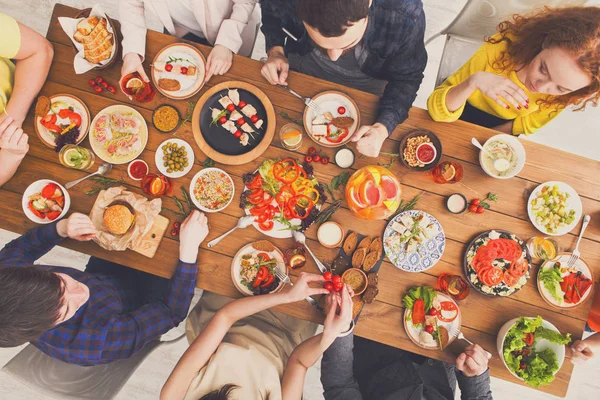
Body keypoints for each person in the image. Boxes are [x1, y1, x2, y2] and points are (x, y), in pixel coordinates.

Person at [0, 210, 209, 366]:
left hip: (103, 276)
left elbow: (21, 249)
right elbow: (171, 311)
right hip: (143, 303)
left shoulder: (8, 280)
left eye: (62, 284)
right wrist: (189, 249)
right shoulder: (98, 343)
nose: (81, 292)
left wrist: (61, 228)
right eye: (67, 308)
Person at [260, 0, 427, 157]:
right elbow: (271, 10)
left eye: (347, 44)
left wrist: (383, 127)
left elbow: (407, 77)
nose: (334, 57)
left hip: (369, 86)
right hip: (300, 67)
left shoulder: (404, 12)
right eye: (322, 44)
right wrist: (275, 51)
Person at [427, 6, 600, 135]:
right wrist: (474, 81)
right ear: (547, 42)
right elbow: (436, 109)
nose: (540, 87)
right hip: (462, 103)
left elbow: (526, 124)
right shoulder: (504, 48)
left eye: (560, 89)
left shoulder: (568, 93)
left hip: (499, 126)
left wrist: (488, 139)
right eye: (543, 68)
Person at [160, 273, 332, 400]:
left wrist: (287, 296)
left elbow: (225, 317)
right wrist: (331, 335)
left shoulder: (173, 397)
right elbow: (299, 362)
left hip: (230, 311)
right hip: (284, 331)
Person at [317, 294, 493, 399]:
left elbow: (339, 386)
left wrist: (341, 333)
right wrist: (475, 376)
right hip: (437, 362)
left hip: (374, 346)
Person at [119, 0, 258, 84]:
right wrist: (132, 52)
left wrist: (226, 44)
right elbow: (130, 4)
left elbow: (246, 2)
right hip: (180, 30)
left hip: (231, 28)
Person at [0, 12, 54, 187]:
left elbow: (39, 51)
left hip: (28, 87)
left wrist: (12, 118)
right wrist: (11, 155)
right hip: (16, 152)